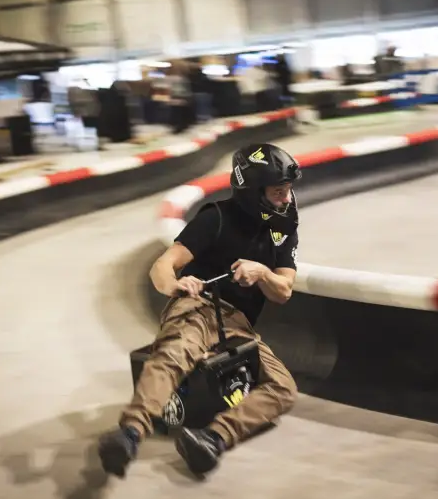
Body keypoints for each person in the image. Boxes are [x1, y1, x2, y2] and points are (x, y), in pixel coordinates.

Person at [98, 143, 302, 477]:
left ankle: (213, 438)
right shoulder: (216, 218)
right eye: (278, 192)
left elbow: (284, 291)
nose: (287, 199)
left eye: (288, 190)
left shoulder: (283, 230)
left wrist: (262, 273)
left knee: (283, 388)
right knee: (176, 352)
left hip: (238, 325)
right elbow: (163, 265)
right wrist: (174, 285)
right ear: (254, 192)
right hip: (199, 305)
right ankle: (130, 432)